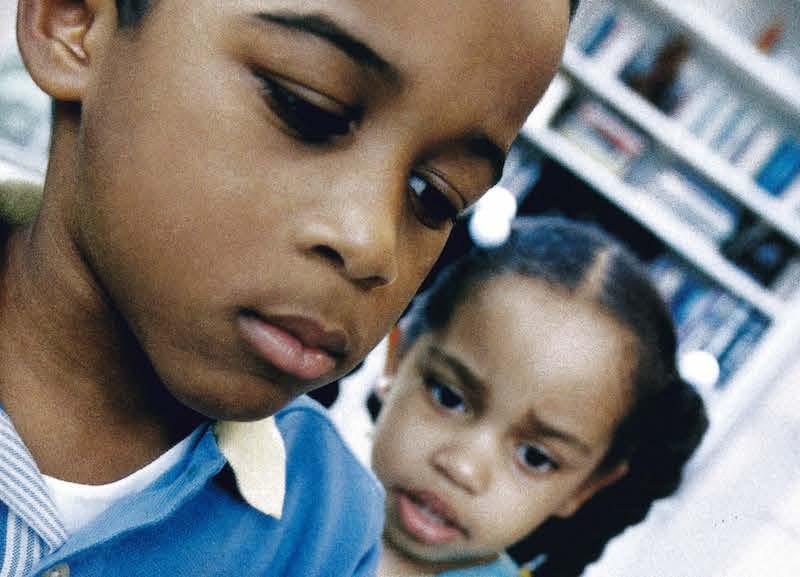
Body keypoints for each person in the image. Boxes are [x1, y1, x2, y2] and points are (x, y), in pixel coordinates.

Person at [0, 0, 581, 575]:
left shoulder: (328, 532)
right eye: (309, 109)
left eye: (436, 196)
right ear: (73, 21)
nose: (372, 244)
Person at [371, 217, 709, 577]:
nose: (463, 468)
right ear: (399, 358)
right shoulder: (308, 481)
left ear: (584, 487)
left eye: (535, 457)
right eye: (449, 398)